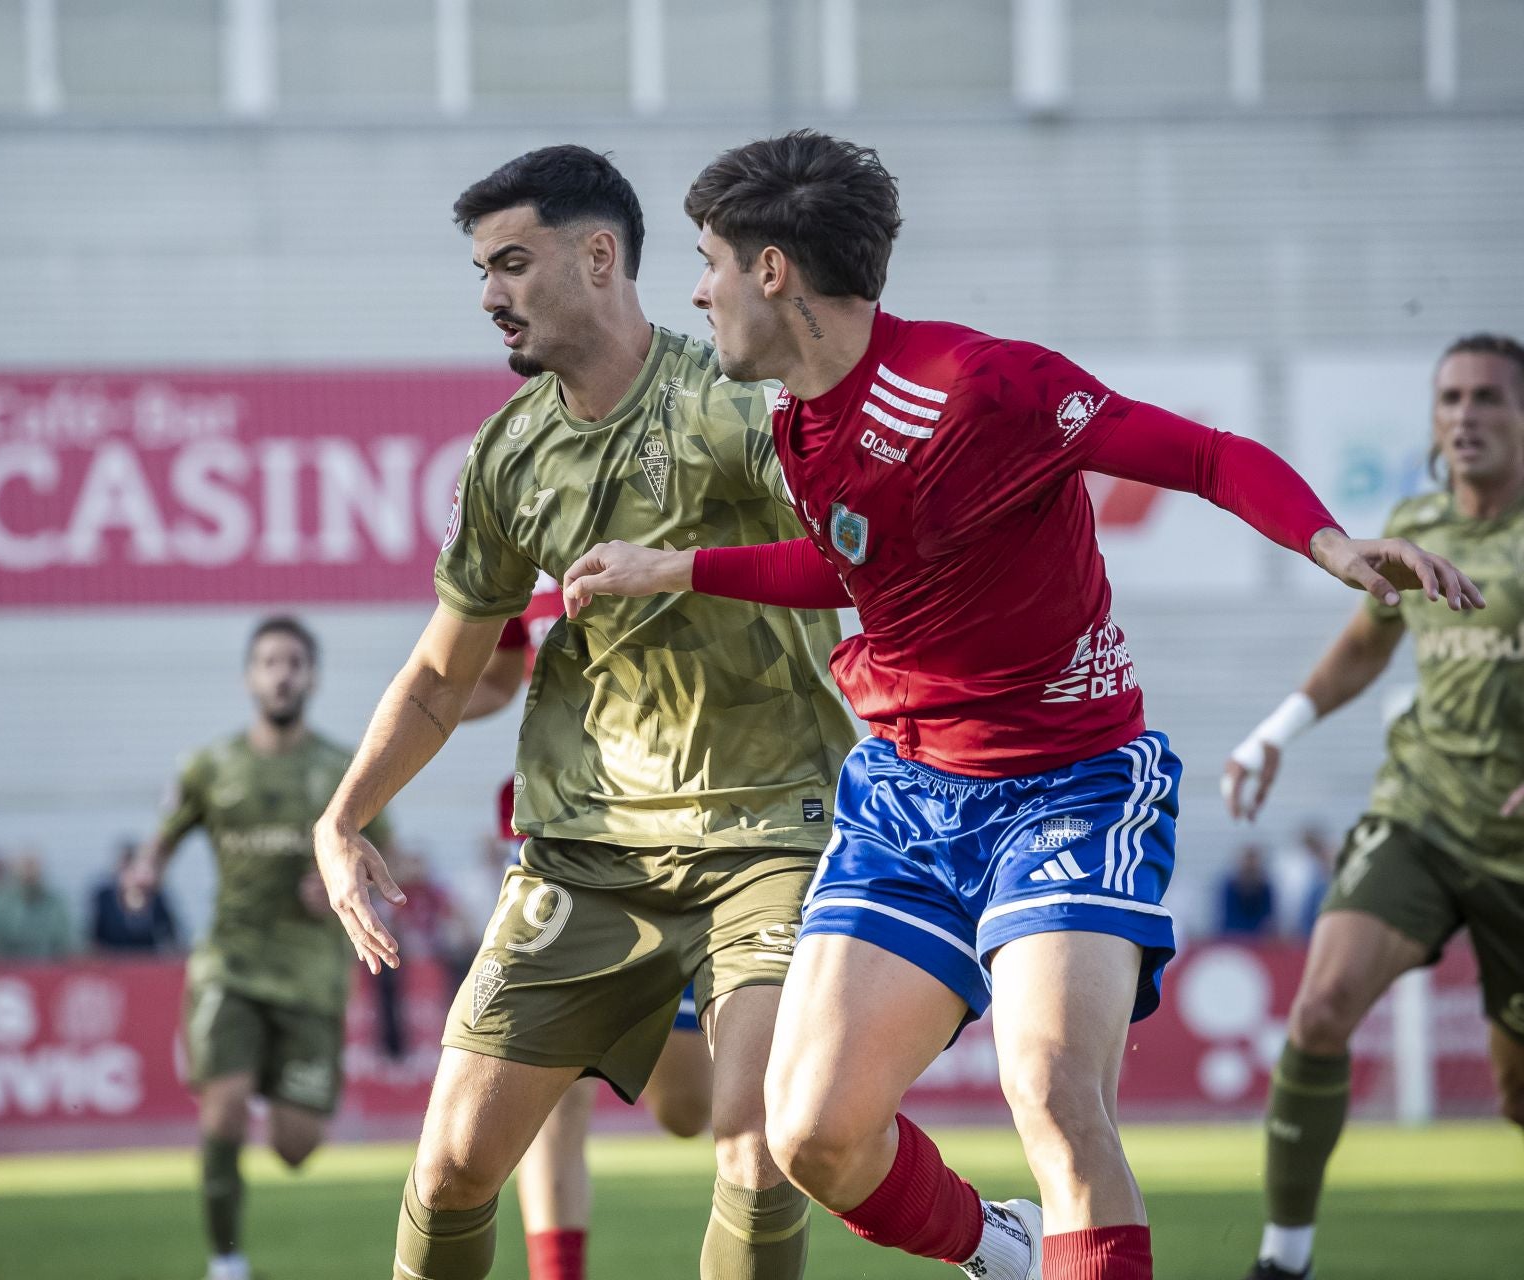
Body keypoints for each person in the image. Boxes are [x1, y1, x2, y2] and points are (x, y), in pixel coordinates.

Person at [560, 131, 1481, 1280]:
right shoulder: (797, 425)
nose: (695, 290)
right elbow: (859, 570)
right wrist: (680, 566)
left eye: (707, 260)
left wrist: (1328, 541)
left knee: (1052, 1090)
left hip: (1071, 782)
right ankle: (1005, 1248)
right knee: (809, 1135)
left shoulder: (985, 385)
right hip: (905, 793)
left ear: (774, 270)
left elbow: (1201, 452)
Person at [312, 144, 871, 1280]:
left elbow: (859, 555)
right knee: (454, 1166)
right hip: (584, 849)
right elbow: (437, 673)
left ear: (600, 256)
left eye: (512, 263)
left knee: (758, 1149)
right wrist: (345, 813)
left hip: (772, 828)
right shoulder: (507, 458)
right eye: (482, 271)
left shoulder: (731, 405)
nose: (490, 295)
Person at [1220, 333, 1524, 1280]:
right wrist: (1274, 729)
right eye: (1451, 399)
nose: (1466, 415)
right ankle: (1284, 1260)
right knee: (1318, 1012)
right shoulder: (1418, 520)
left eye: (1488, 398)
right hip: (1421, 815)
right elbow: (1364, 645)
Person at [460, 579, 714, 1280]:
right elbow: (492, 677)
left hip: (677, 846)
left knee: (688, 1110)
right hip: (554, 842)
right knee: (551, 1093)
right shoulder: (514, 521)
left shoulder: (673, 499)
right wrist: (423, 701)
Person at [132, 616, 393, 1280]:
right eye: (270, 662)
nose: (282, 674)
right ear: (251, 677)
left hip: (311, 976)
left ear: (313, 678)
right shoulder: (209, 766)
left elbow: (392, 865)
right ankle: (226, 1262)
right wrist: (144, 872)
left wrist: (342, 879)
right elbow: (162, 837)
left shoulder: (344, 771)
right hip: (231, 963)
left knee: (296, 1147)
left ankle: (265, 1084)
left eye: (294, 663)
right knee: (222, 1108)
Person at [91, 841, 182, 954]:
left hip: (149, 964)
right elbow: (96, 940)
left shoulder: (157, 898)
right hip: (113, 963)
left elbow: (170, 937)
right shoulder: (105, 898)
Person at [0, 851, 74, 960]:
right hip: (11, 965)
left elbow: (64, 938)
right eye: (26, 870)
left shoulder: (56, 902)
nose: (30, 875)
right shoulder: (3, 904)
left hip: (49, 965)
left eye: (34, 870)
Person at [1217, 846, 1277, 938]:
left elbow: (1267, 916)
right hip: (1235, 934)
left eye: (1253, 861)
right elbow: (1229, 916)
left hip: (1258, 937)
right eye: (1248, 861)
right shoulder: (1230, 885)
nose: (1250, 865)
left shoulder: (1265, 886)